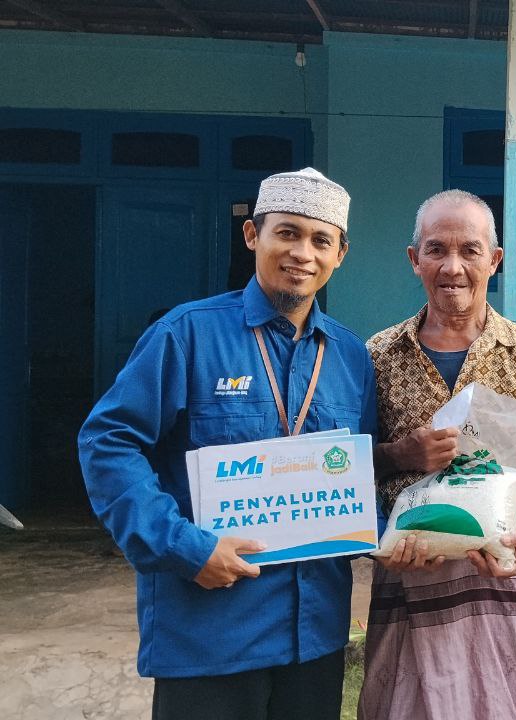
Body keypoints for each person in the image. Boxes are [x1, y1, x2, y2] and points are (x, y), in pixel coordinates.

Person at [78, 168, 377, 720]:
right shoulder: (186, 334)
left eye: (320, 240)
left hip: (313, 637)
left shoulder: (351, 357)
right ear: (252, 237)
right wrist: (183, 547)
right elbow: (109, 442)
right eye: (286, 233)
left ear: (341, 254)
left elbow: (356, 471)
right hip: (209, 634)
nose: (302, 254)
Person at [358, 189, 516, 720]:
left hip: (496, 570)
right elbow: (350, 462)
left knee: (495, 702)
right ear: (415, 260)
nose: (452, 267)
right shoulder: (379, 356)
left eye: (470, 251)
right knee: (401, 705)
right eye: (436, 250)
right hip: (408, 568)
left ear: (494, 260)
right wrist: (402, 452)